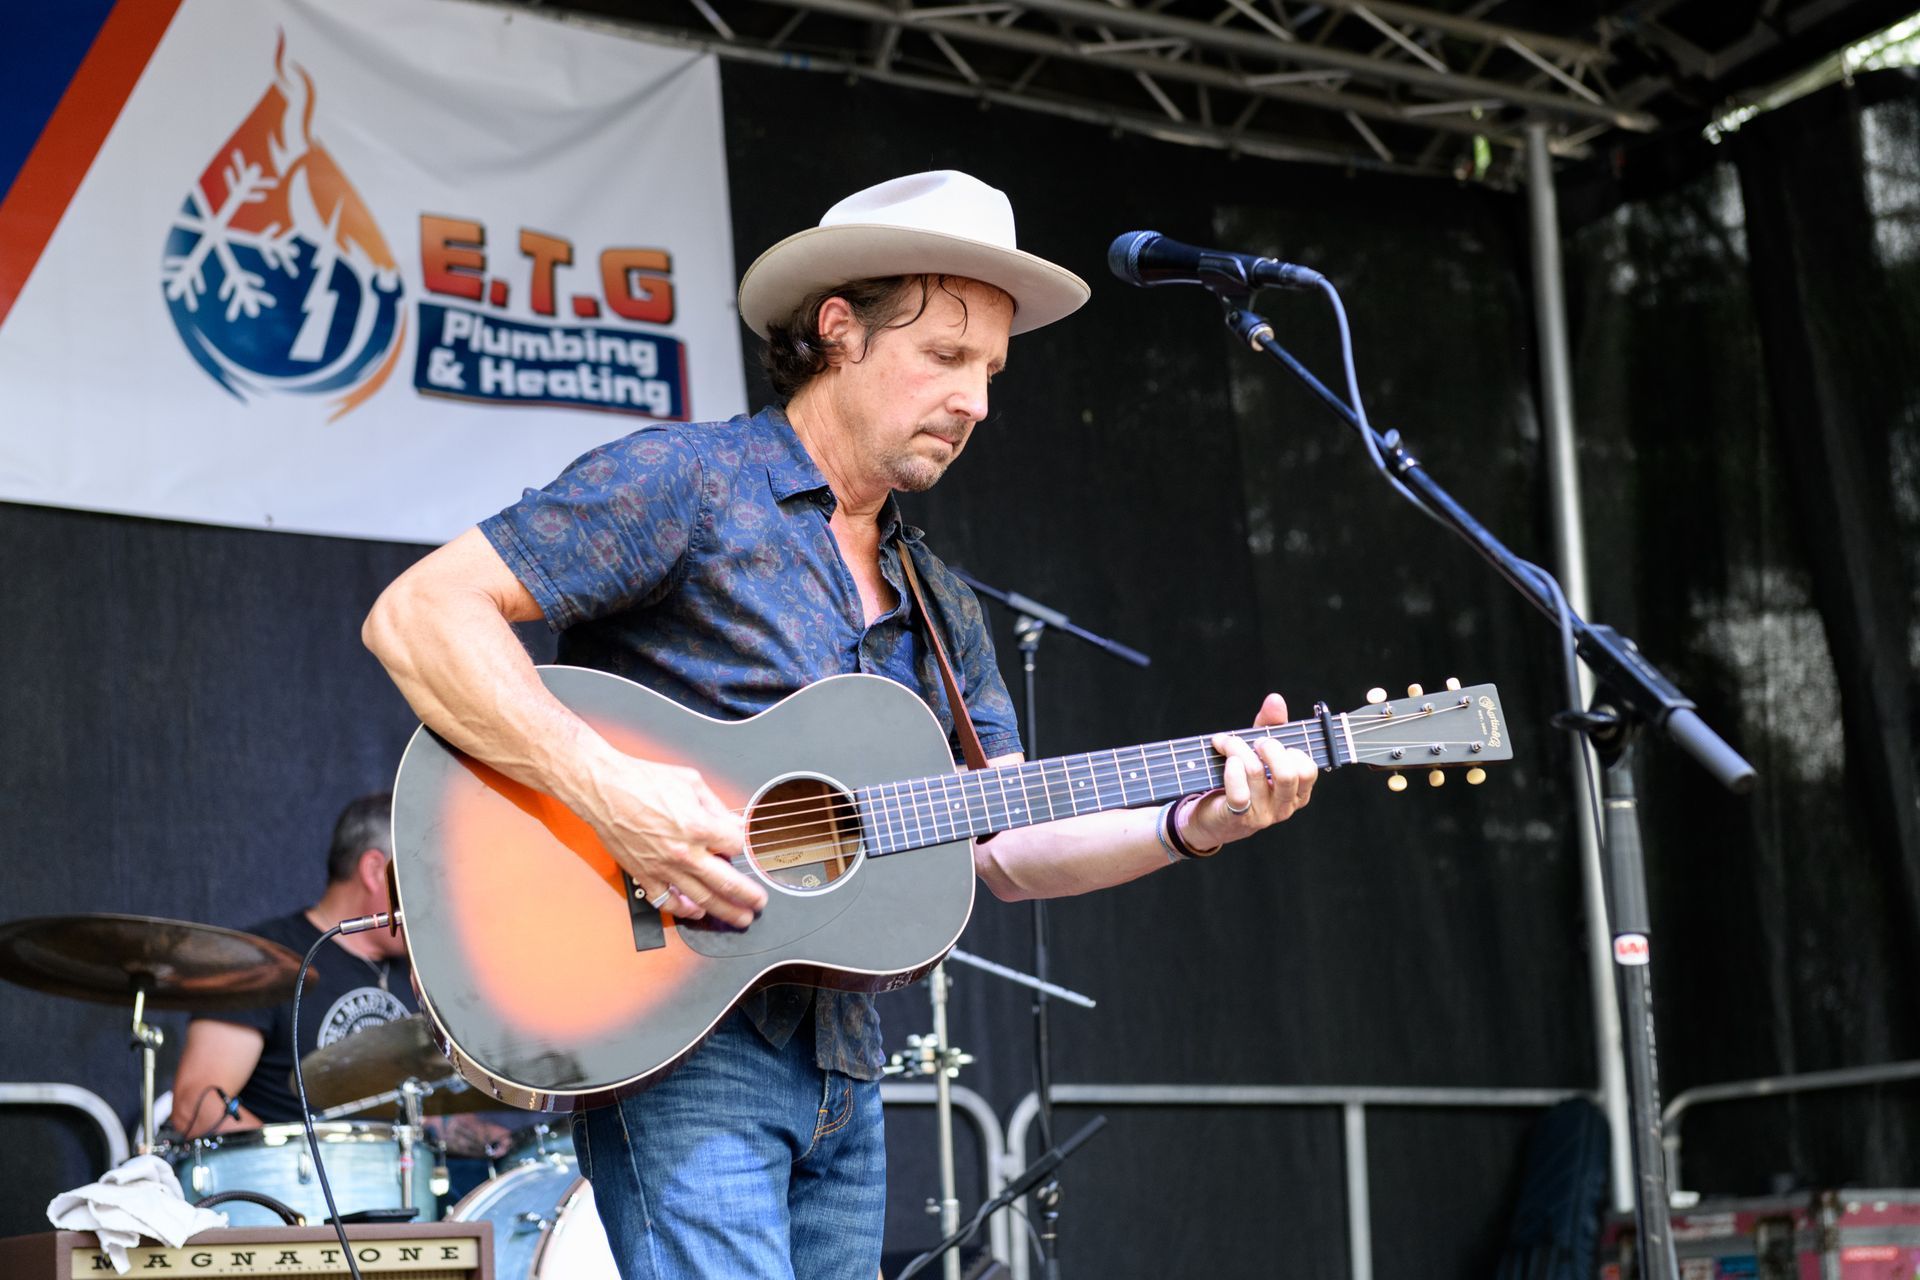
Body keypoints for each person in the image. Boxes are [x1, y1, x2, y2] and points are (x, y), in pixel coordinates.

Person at [360, 170, 1318, 1280]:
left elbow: (1000, 840)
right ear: (838, 331)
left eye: (993, 372)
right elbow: (419, 613)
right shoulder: (690, 483)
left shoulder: (937, 596)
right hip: (680, 1037)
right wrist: (618, 798)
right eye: (948, 358)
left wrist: (1192, 822)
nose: (978, 403)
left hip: (850, 1067)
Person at [169, 793, 418, 1138]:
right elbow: (196, 1107)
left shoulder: (415, 972)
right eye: (426, 873)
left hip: (405, 1180)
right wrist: (300, 1170)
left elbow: (429, 1110)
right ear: (376, 871)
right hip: (292, 1187)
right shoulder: (259, 961)